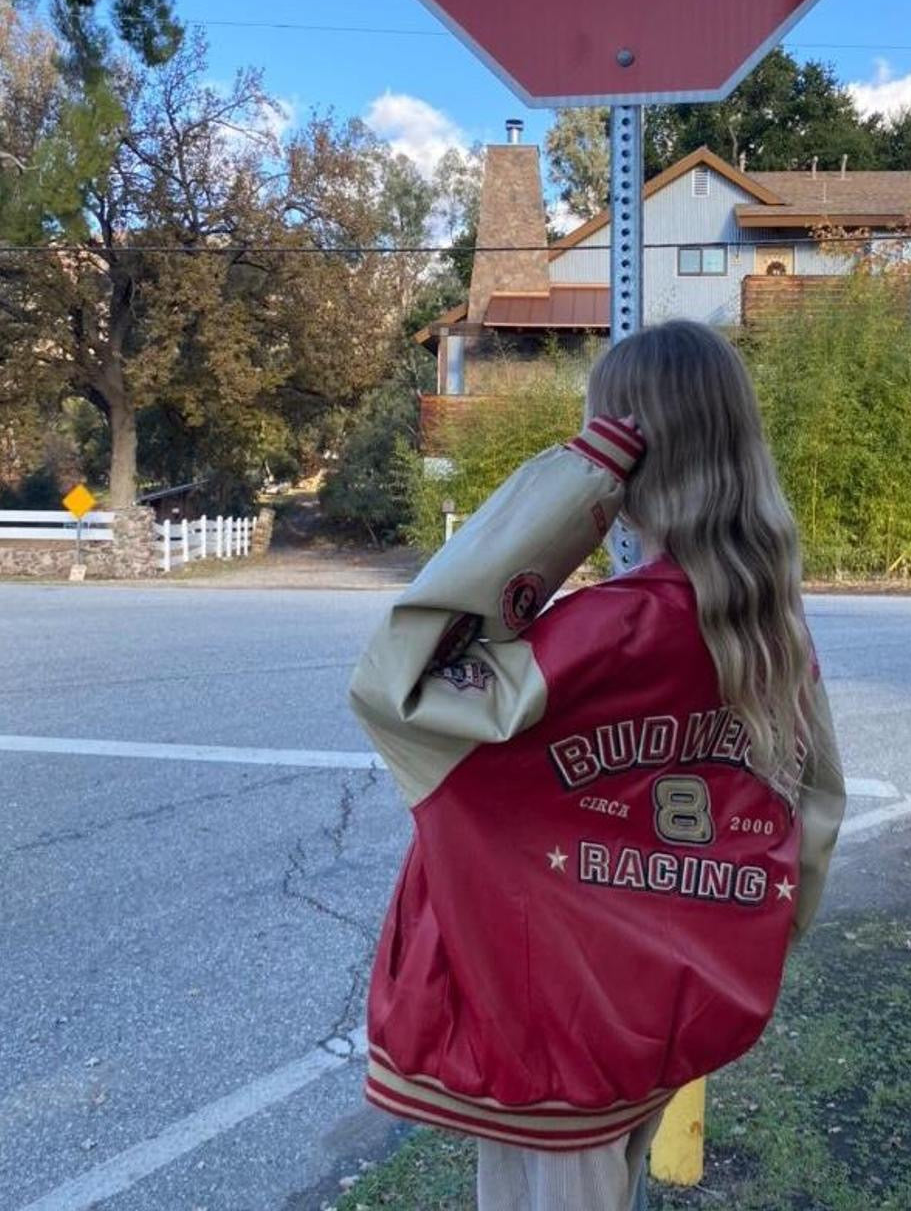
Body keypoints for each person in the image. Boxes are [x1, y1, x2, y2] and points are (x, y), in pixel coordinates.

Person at [349, 320, 847, 1211]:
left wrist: (569, 487)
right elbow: (809, 831)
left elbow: (397, 680)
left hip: (551, 1040)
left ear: (623, 462)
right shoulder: (777, 642)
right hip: (664, 1024)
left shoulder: (602, 636)